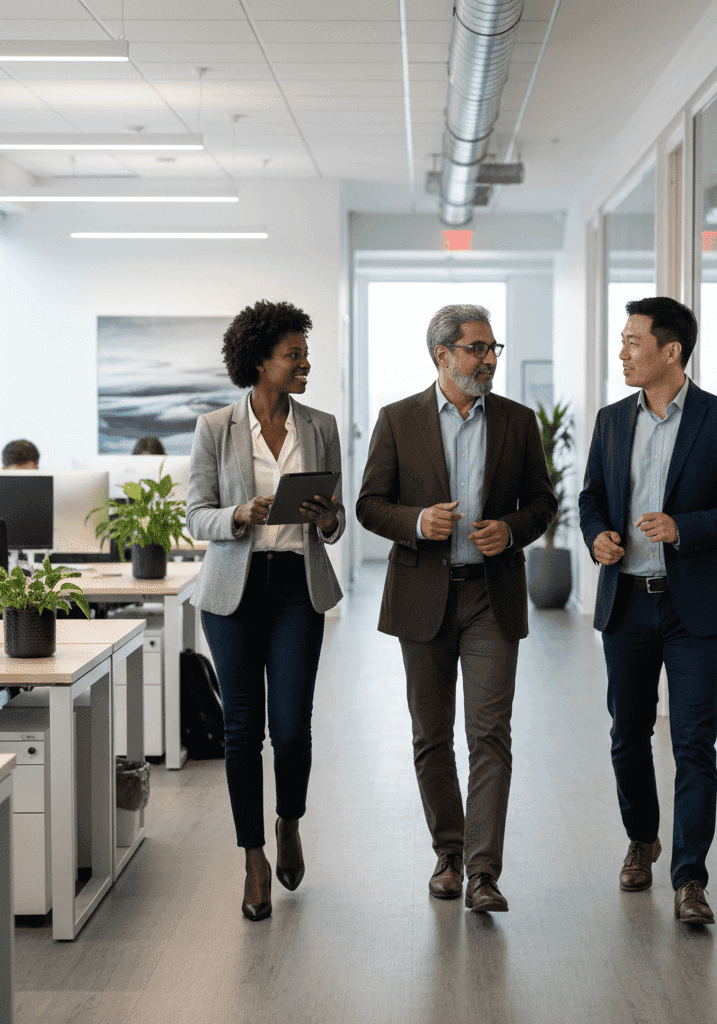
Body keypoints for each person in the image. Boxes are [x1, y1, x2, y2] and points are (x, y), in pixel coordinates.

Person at [356, 303, 556, 913]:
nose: (489, 359)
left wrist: (513, 530)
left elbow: (543, 502)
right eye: (477, 348)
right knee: (431, 734)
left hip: (491, 596)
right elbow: (369, 504)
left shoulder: (519, 422)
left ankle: (483, 872)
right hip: (422, 595)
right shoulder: (397, 420)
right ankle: (448, 852)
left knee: (490, 732)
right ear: (442, 354)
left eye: (493, 348)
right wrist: (417, 521)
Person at [578, 296, 717, 925]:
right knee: (628, 736)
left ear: (671, 351)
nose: (623, 351)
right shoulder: (609, 421)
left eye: (634, 341)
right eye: (623, 340)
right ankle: (642, 839)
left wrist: (682, 527)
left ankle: (690, 879)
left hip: (694, 610)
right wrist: (597, 533)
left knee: (693, 743)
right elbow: (591, 497)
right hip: (626, 603)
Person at [185, 299, 345, 922]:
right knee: (241, 730)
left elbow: (332, 521)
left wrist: (327, 518)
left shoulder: (321, 425)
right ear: (260, 362)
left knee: (292, 728)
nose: (306, 363)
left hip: (295, 589)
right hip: (234, 591)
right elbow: (196, 513)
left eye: (305, 353)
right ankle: (252, 858)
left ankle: (288, 821)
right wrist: (239, 514)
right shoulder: (215, 427)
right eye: (294, 355)